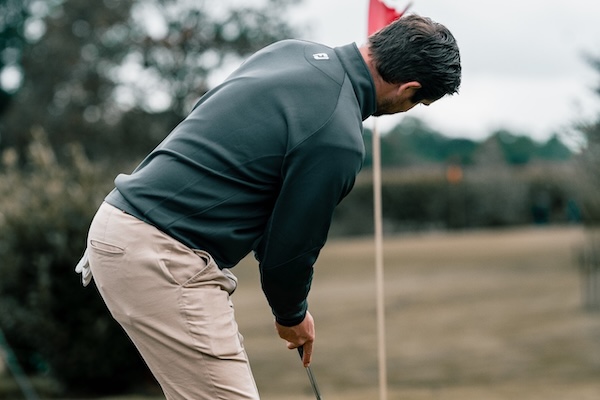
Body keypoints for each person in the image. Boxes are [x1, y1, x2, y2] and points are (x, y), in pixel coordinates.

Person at [75, 13, 461, 400]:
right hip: (160, 254)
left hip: (120, 223)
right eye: (417, 101)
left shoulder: (291, 51)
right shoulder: (339, 137)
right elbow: (288, 250)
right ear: (407, 87)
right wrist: (292, 316)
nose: (408, 108)